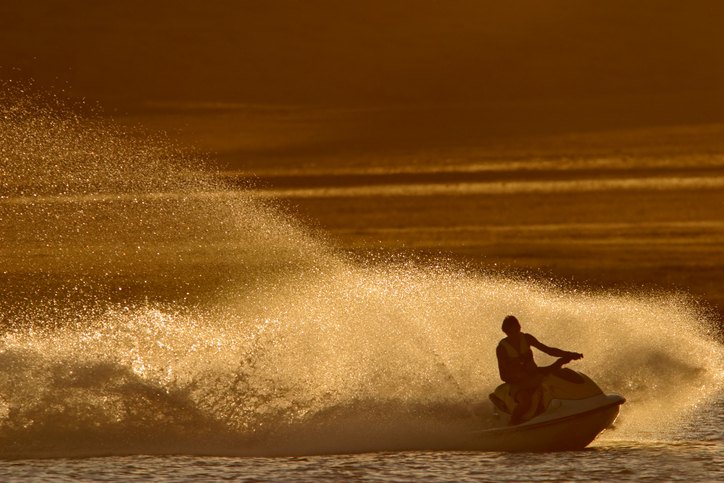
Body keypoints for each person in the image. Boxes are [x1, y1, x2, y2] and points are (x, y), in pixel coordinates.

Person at [496, 315, 583, 425]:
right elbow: (503, 376)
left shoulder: (527, 338)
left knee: (558, 367)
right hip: (518, 383)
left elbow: (548, 350)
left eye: (517, 329)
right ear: (506, 332)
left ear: (520, 327)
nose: (516, 334)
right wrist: (518, 374)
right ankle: (513, 423)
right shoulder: (502, 348)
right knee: (525, 401)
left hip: (535, 375)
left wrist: (569, 354)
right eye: (512, 332)